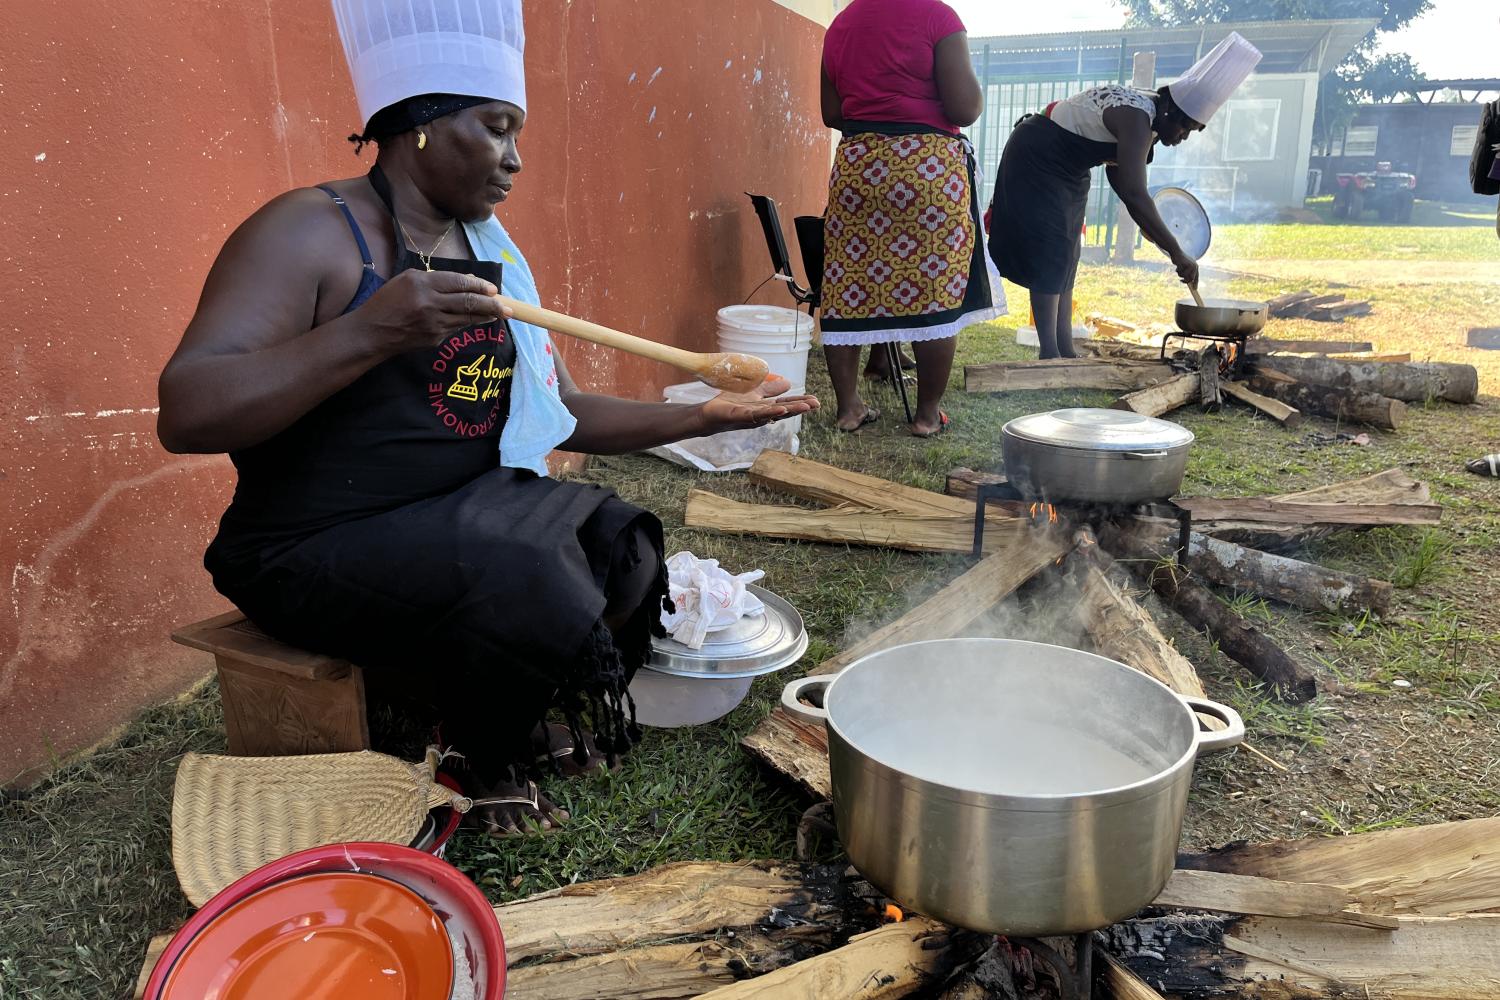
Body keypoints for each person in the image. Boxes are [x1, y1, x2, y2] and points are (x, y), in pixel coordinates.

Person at [156, 0, 817, 837]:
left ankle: (492, 696)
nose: (514, 160)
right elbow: (186, 410)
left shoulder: (490, 252)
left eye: (517, 134)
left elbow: (564, 410)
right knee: (524, 573)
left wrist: (696, 417)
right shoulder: (310, 232)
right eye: (497, 128)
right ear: (422, 125)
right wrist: (369, 332)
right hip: (308, 542)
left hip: (454, 513)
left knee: (623, 547)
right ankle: (479, 749)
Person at [989, 32, 1262, 360]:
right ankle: (1050, 354)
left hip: (1070, 168)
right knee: (1052, 250)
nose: (1183, 136)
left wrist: (1160, 237)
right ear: (1170, 112)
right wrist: (1178, 253)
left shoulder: (1148, 125)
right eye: (1185, 127)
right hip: (1038, 155)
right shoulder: (1136, 118)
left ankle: (1065, 349)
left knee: (1068, 252)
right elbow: (1134, 193)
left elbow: (1124, 186)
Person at [818, 0, 1001, 437]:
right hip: (928, 168)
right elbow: (964, 109)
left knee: (847, 281)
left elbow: (831, 113)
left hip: (859, 166)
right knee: (934, 287)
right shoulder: (937, 17)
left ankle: (848, 409)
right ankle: (926, 416)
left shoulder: (841, 24)